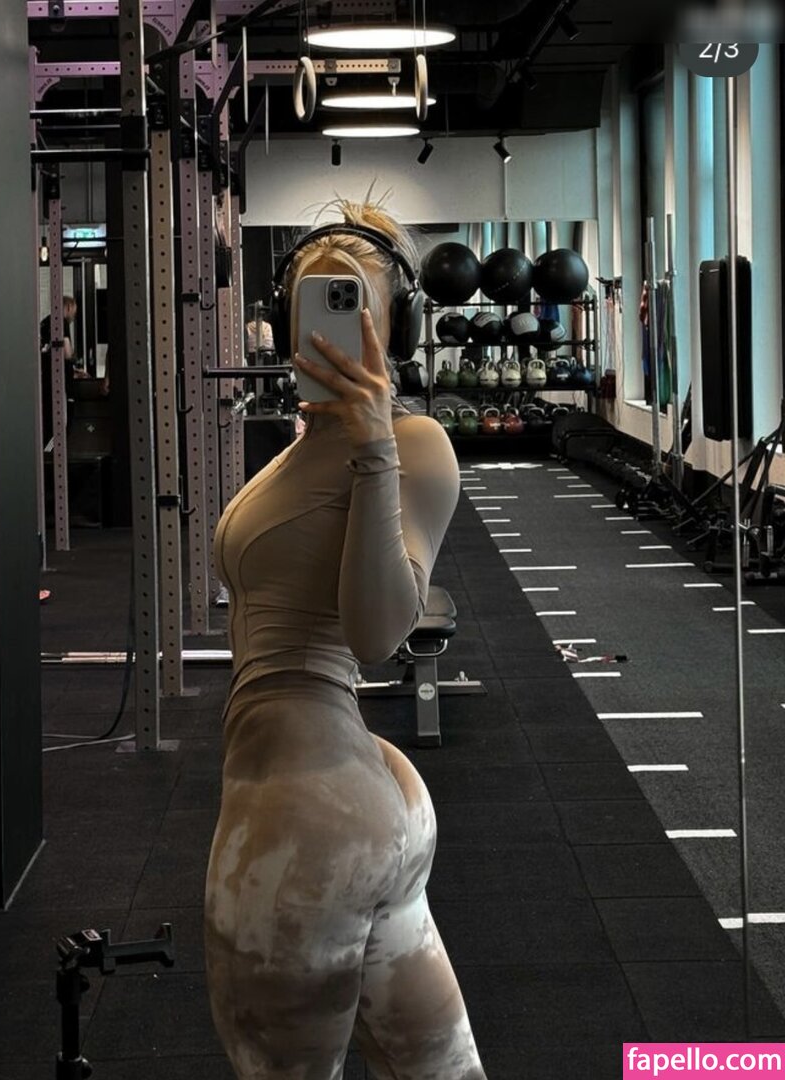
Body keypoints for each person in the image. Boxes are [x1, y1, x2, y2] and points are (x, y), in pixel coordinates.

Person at [205, 197, 487, 1079]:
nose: (333, 328)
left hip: (304, 825)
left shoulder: (412, 443)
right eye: (316, 301)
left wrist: (373, 447)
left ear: (394, 327)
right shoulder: (299, 446)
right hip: (355, 803)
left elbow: (376, 635)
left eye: (355, 305)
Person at [40, 294, 83, 445]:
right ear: (69, 307)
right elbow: (67, 353)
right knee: (63, 422)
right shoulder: (61, 322)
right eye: (74, 312)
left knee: (48, 419)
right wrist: (73, 360)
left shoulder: (45, 322)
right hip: (59, 380)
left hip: (46, 377)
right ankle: (54, 451)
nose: (73, 317)